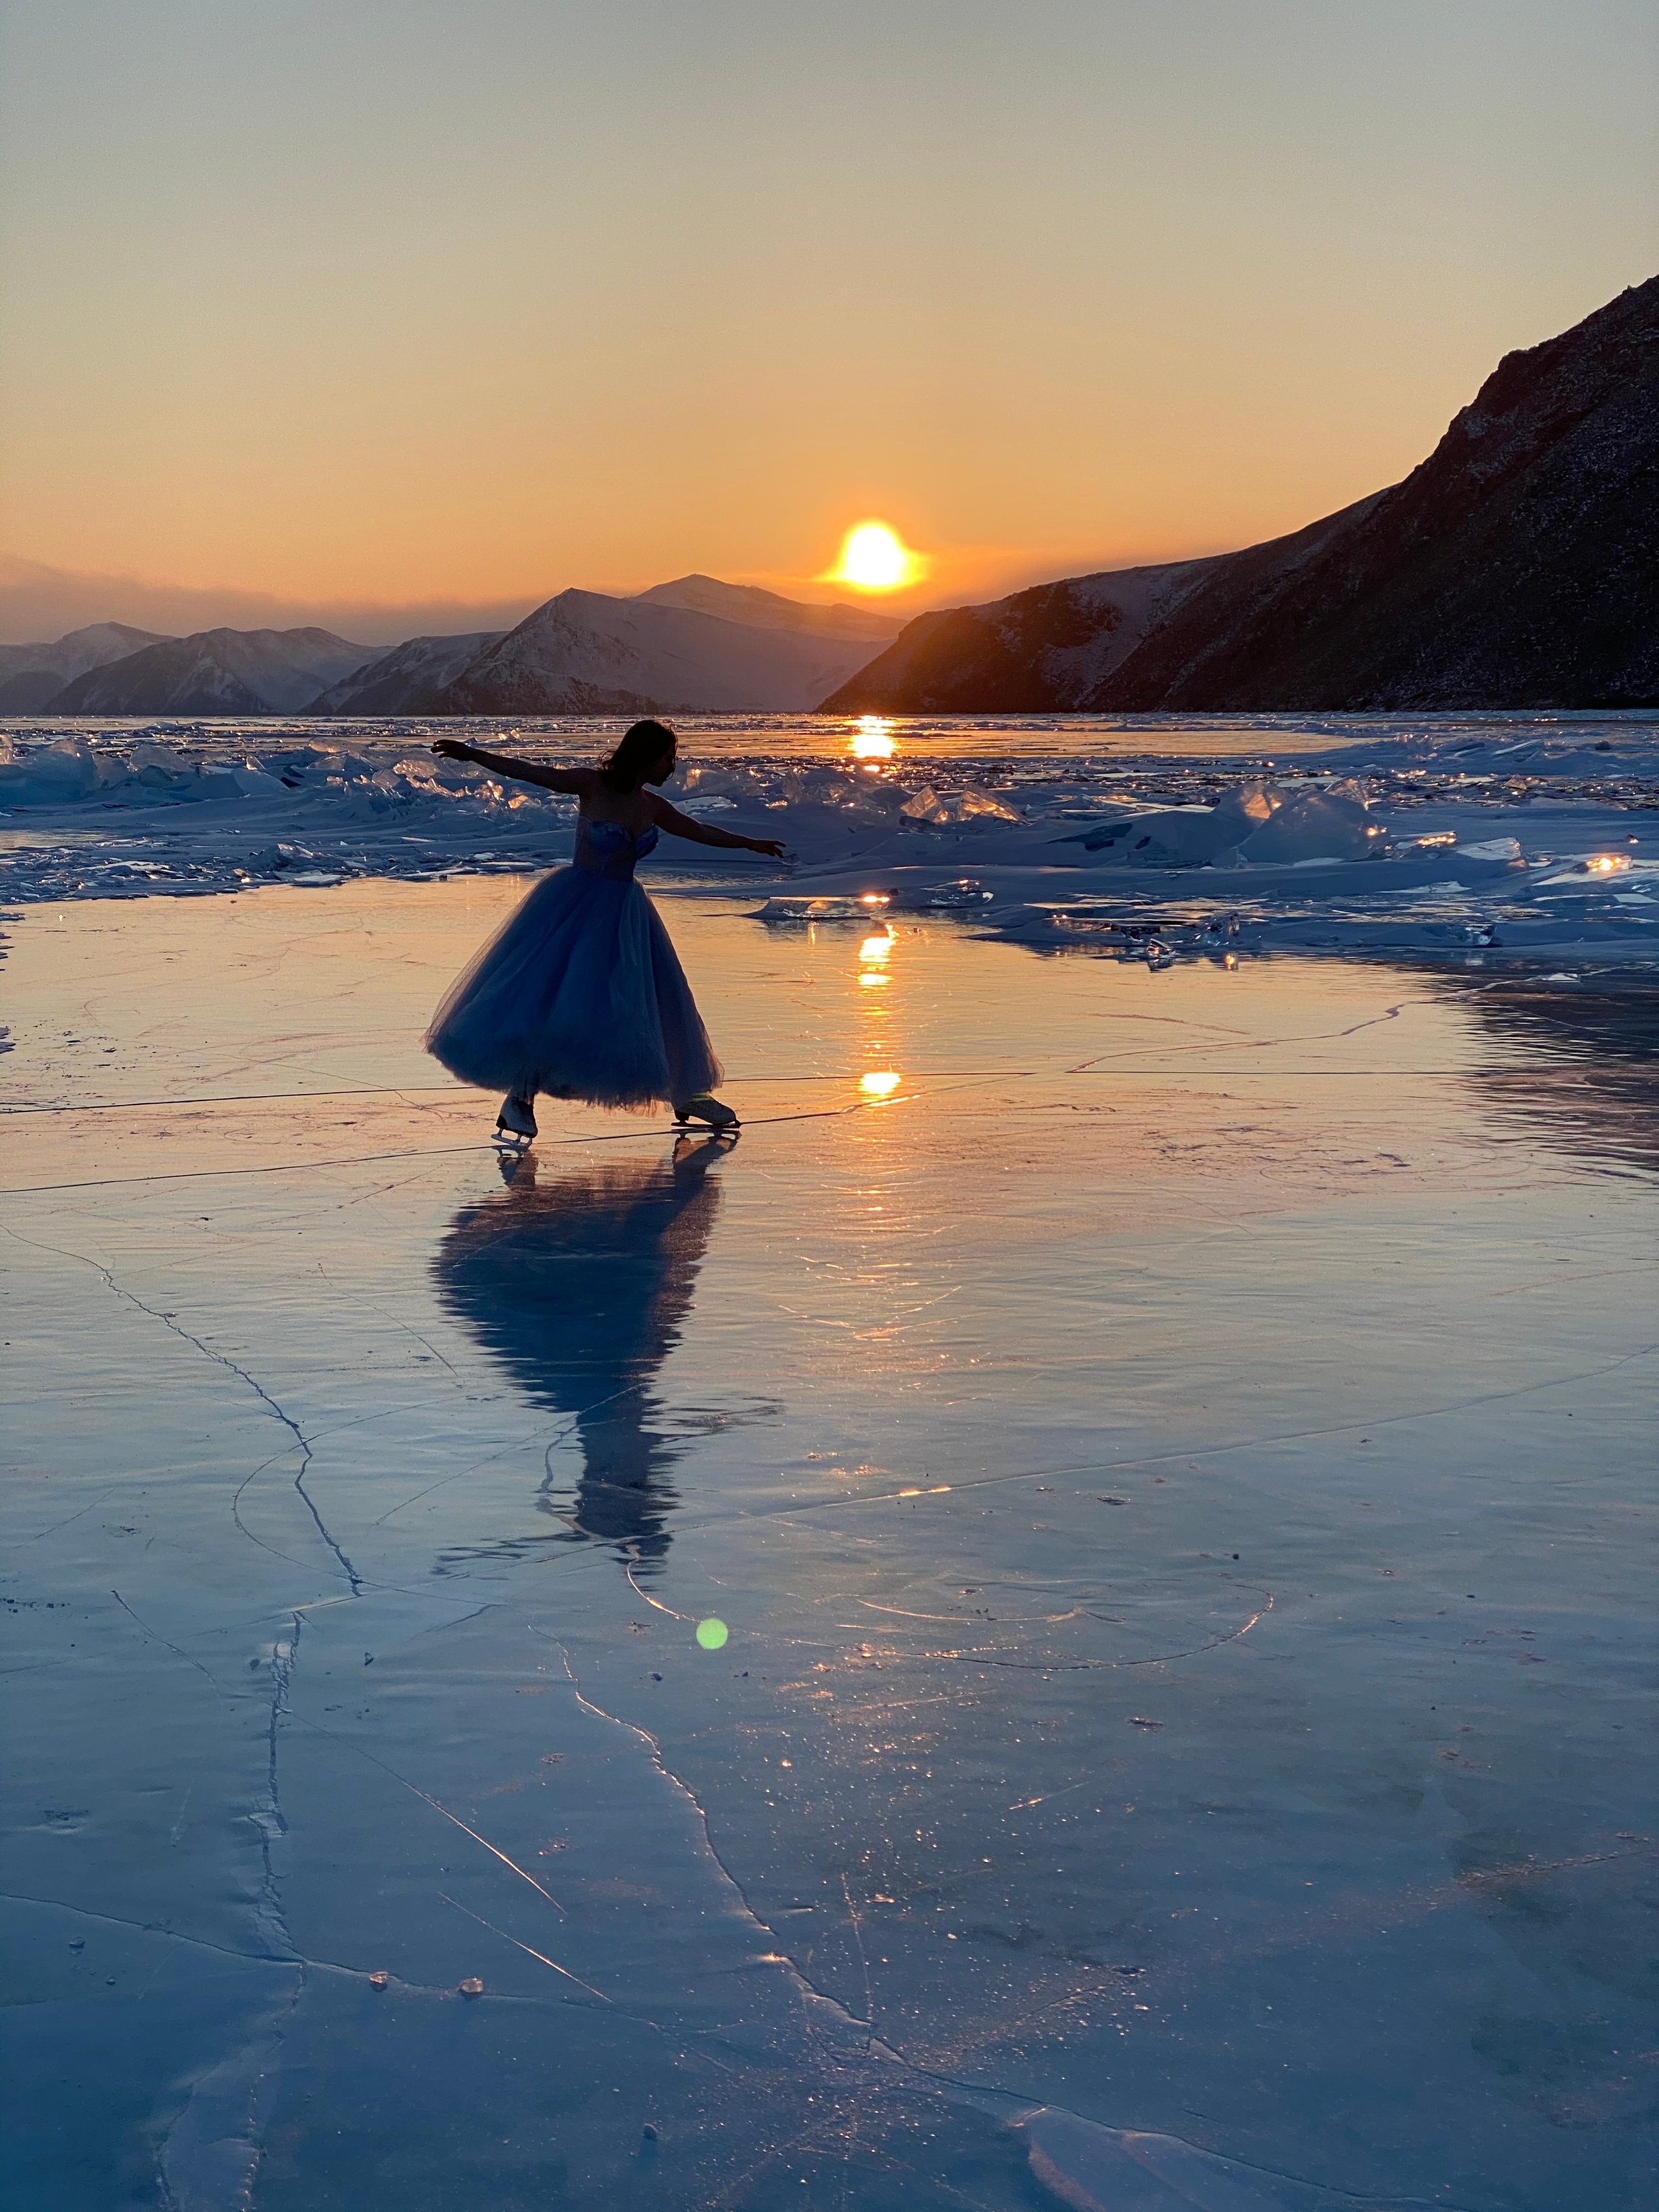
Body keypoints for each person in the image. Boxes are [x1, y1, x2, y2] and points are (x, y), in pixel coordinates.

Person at [424, 720, 783, 1141]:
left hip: (627, 915)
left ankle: (688, 1093)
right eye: (668, 757)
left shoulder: (653, 806)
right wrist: (472, 754)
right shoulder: (592, 786)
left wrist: (750, 843)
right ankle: (519, 1098)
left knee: (662, 1001)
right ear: (645, 756)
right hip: (575, 909)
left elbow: (699, 831)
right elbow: (531, 773)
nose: (673, 766)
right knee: (552, 1002)